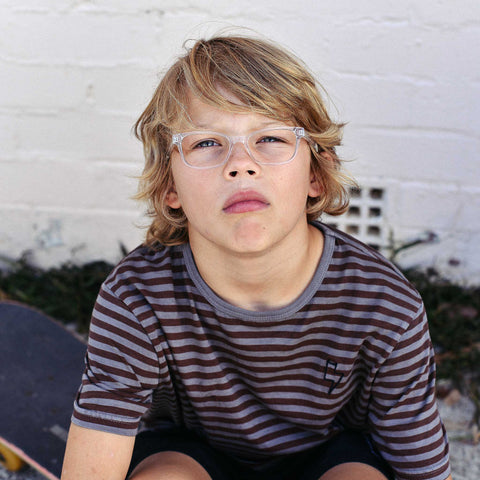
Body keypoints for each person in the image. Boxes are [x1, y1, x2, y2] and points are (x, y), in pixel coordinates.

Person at [61, 35, 452, 480]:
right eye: (206, 143)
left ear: (316, 174)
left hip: (330, 457)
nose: (241, 164)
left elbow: (422, 469)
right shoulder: (137, 298)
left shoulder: (384, 305)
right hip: (190, 454)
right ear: (170, 187)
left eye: (269, 138)